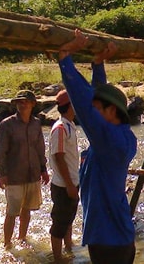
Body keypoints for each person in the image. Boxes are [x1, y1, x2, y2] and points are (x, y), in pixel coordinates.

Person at [58, 30, 137, 264]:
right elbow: (97, 98)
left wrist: (65, 58)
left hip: (109, 240)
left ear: (112, 112)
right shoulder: (116, 135)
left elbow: (84, 102)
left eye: (99, 108)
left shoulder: (111, 140)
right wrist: (98, 64)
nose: (94, 112)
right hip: (113, 236)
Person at [0, 90, 50, 248]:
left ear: (33, 104)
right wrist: (1, 174)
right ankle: (7, 244)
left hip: (33, 174)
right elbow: (0, 152)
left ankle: (22, 238)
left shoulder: (36, 123)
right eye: (19, 102)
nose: (22, 104)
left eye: (26, 101)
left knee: (27, 209)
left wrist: (43, 169)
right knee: (11, 212)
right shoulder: (7, 125)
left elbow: (40, 148)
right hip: (13, 176)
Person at [49, 89, 79, 262]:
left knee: (68, 219)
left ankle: (69, 249)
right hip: (63, 185)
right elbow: (58, 157)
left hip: (71, 182)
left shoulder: (69, 125)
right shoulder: (60, 128)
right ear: (70, 106)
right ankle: (58, 258)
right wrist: (69, 185)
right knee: (59, 223)